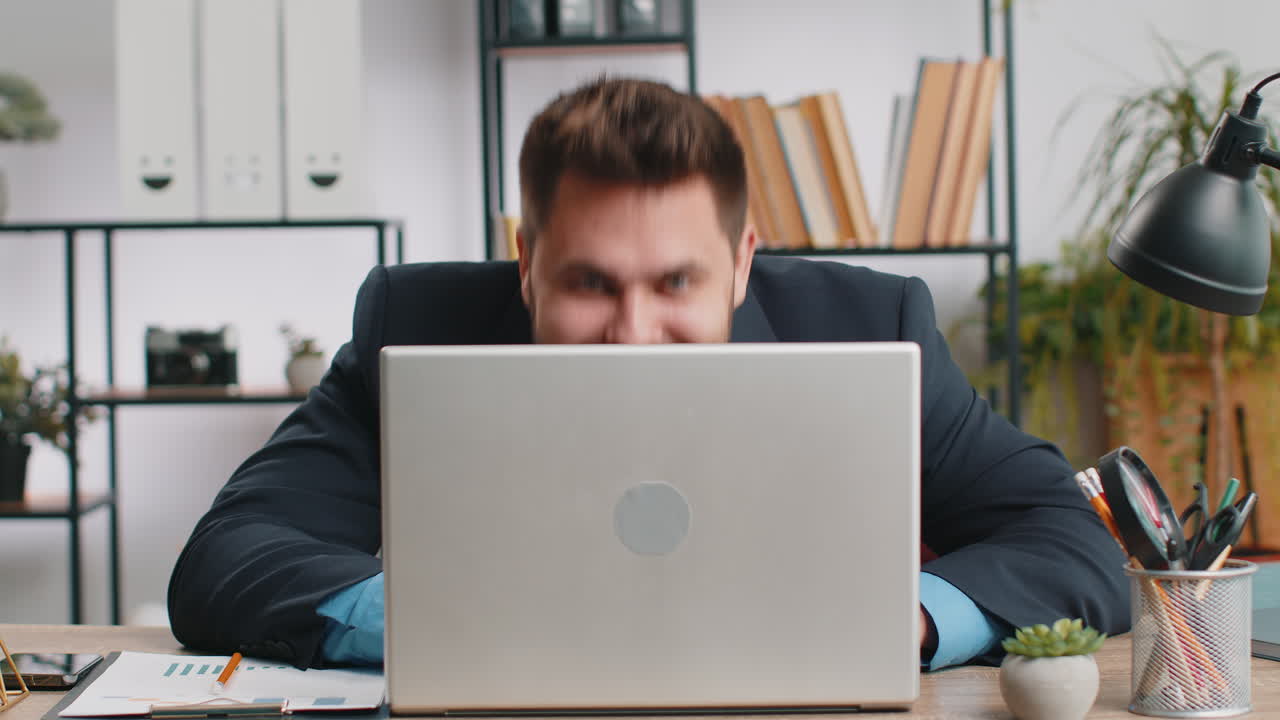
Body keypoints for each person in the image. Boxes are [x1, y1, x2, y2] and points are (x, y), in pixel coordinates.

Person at [168, 76, 1129, 671]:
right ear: (527, 261)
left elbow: (1069, 540)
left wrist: (908, 620)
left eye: (676, 282)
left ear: (741, 264)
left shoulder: (876, 326)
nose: (633, 334)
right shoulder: (411, 328)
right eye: (590, 283)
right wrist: (437, 620)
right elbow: (229, 556)